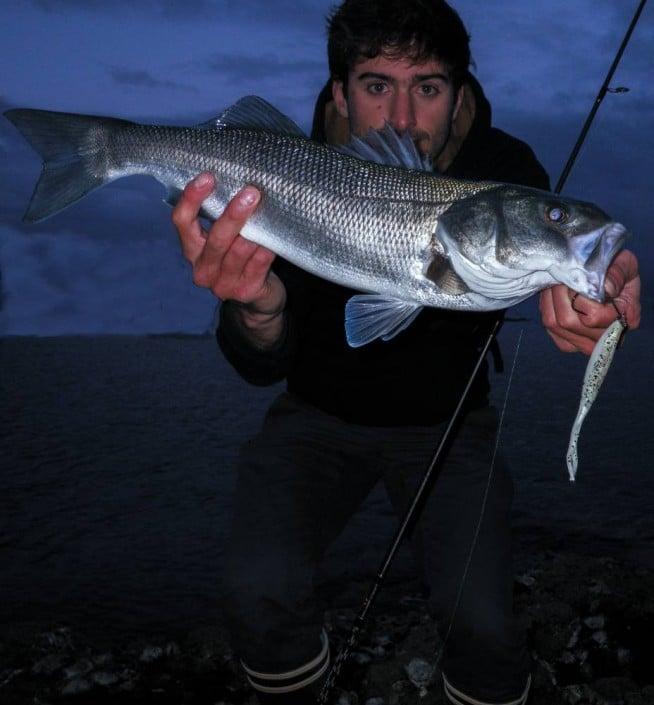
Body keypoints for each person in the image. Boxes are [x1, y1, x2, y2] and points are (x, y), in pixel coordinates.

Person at [172, 1, 642, 703]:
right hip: (316, 417)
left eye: (426, 87)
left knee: (486, 626)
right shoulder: (278, 175)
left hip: (448, 426)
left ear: (459, 95)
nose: (399, 116)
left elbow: (554, 259)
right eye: (374, 84)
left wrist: (593, 295)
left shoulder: (504, 169)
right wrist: (257, 308)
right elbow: (258, 361)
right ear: (339, 92)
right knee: (256, 589)